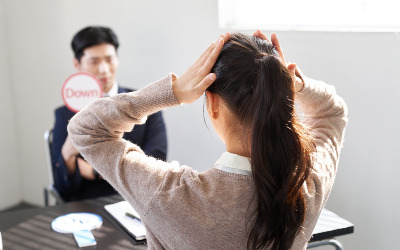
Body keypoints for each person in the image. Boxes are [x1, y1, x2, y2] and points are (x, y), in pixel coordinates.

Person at [67, 31, 348, 249]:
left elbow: (85, 129)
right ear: (282, 95)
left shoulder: (170, 194)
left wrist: (174, 91)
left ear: (212, 104)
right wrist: (293, 83)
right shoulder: (306, 185)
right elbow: (332, 113)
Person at [52, 26, 168, 202]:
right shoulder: (65, 114)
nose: (104, 69)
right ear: (77, 64)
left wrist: (95, 171)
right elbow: (63, 188)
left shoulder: (144, 102)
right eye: (94, 61)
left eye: (109, 59)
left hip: (138, 201)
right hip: (87, 205)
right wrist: (67, 154)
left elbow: (155, 162)